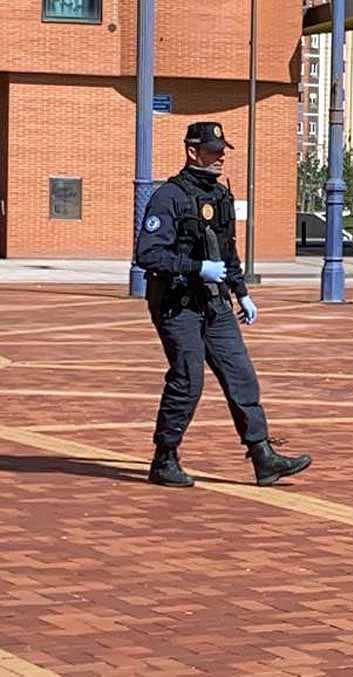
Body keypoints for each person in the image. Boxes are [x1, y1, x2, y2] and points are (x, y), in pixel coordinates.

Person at [135, 121, 311, 488]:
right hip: (176, 303)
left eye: (223, 152)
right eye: (214, 151)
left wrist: (241, 290)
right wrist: (196, 267)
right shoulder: (169, 197)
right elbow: (148, 254)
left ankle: (263, 457)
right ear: (192, 152)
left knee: (241, 375)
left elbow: (228, 250)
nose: (221, 159)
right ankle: (164, 457)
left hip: (215, 305)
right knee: (187, 378)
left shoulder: (220, 196)